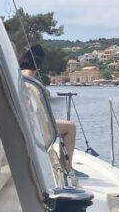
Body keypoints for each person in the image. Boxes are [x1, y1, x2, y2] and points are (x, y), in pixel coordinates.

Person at [19, 44, 77, 173]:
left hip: (21, 123)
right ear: (39, 64)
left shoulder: (17, 76)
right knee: (70, 127)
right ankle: (67, 166)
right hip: (34, 126)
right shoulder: (32, 82)